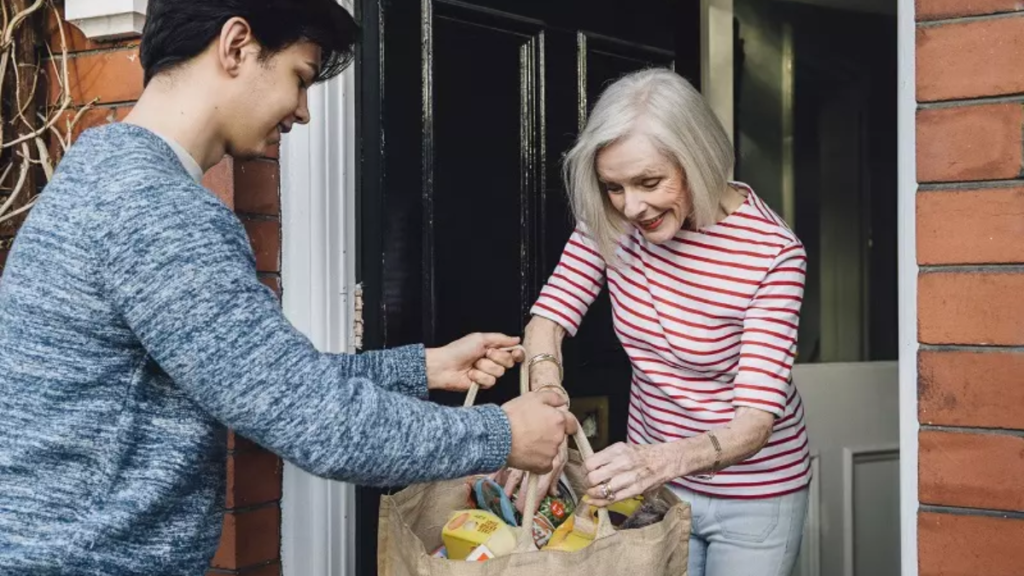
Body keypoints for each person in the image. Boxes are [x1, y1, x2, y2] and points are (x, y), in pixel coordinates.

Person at [0, 0, 576, 573]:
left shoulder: (107, 175)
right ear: (235, 46)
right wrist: (501, 434)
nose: (302, 112)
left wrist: (420, 369)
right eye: (299, 78)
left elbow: (262, 379)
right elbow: (314, 419)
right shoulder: (157, 210)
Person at [516, 68, 810, 576]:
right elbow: (549, 319)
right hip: (654, 490)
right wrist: (548, 402)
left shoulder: (772, 255)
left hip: (754, 495)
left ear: (698, 159)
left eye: (650, 182)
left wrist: (657, 461)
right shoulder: (610, 222)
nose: (632, 206)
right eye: (614, 187)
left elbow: (755, 422)